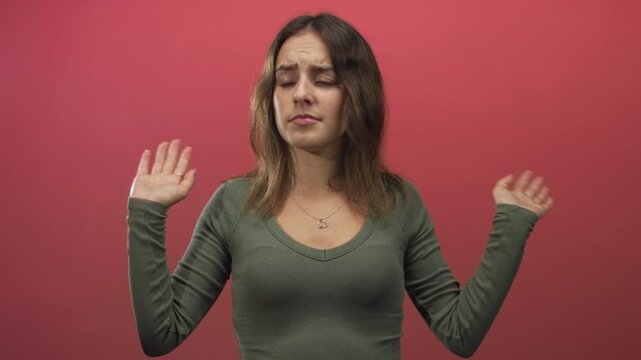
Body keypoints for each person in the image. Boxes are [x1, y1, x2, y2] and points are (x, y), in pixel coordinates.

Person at [126, 12, 553, 359]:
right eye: (286, 79)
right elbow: (162, 334)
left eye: (324, 79)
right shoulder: (234, 204)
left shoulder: (398, 203)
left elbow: (459, 332)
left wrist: (511, 226)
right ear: (270, 96)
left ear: (357, 94)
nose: (301, 94)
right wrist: (145, 214)